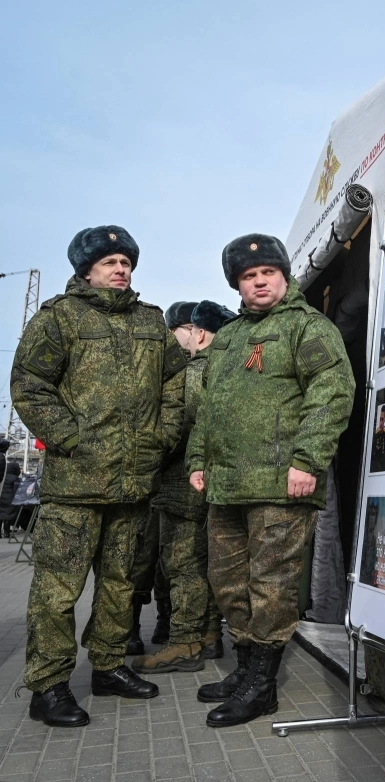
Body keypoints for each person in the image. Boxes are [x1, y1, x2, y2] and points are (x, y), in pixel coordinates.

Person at [11, 225, 185, 727]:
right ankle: (48, 685)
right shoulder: (60, 318)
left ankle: (108, 667)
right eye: (110, 261)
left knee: (120, 583)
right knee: (57, 591)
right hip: (74, 487)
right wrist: (71, 438)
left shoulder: (152, 321)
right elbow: (29, 384)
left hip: (133, 484)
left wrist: (163, 434)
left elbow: (177, 382)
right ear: (86, 269)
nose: (120, 268)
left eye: (126, 261)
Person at [187, 233, 354, 727]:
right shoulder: (232, 337)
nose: (259, 282)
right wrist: (198, 459)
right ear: (237, 285)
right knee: (228, 582)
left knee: (273, 585)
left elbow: (332, 394)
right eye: (248, 277)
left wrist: (308, 460)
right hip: (227, 484)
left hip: (283, 485)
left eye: (268, 274)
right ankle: (244, 670)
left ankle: (263, 686)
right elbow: (208, 408)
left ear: (284, 276)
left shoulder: (309, 328)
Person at [132, 300, 236, 675]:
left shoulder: (195, 372)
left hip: (181, 485)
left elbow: (180, 430)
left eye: (190, 332)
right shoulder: (229, 370)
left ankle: (184, 645)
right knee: (204, 564)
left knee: (183, 566)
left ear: (201, 333)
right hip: (210, 485)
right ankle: (208, 636)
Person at [127, 301, 198, 656]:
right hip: (151, 478)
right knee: (142, 555)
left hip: (184, 481)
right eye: (188, 327)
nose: (193, 333)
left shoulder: (198, 367)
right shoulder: (156, 366)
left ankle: (167, 621)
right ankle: (130, 626)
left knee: (173, 560)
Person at [0, 441, 21, 538]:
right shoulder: (14, 478)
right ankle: (6, 533)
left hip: (1, 499)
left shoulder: (5, 476)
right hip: (9, 500)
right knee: (7, 517)